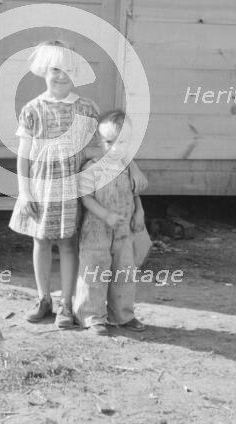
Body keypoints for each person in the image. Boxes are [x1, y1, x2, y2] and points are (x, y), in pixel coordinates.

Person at [9, 40, 100, 328]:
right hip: (42, 185)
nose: (61, 76)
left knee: (68, 243)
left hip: (72, 186)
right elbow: (24, 155)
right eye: (55, 69)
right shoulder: (32, 108)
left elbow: (97, 147)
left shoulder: (85, 107)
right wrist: (25, 192)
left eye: (68, 70)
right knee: (41, 240)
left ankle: (66, 303)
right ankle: (43, 297)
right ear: (44, 70)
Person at [73, 110, 149, 336]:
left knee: (124, 272)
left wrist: (140, 213)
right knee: (94, 272)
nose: (115, 148)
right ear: (99, 141)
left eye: (122, 142)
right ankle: (91, 316)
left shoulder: (127, 168)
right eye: (109, 142)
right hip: (96, 230)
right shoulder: (91, 168)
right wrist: (105, 215)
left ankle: (122, 315)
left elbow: (134, 194)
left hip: (124, 231)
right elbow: (85, 198)